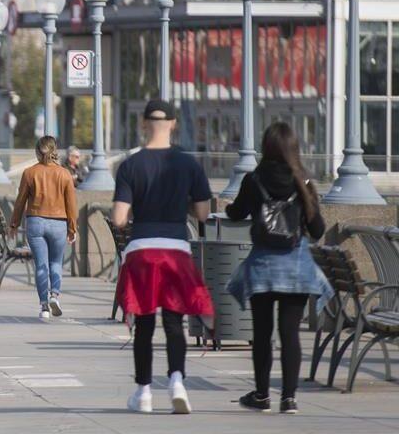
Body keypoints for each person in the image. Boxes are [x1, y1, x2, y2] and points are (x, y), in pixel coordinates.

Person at [112, 99, 214, 415]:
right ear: (173, 124)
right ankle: (177, 382)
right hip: (176, 249)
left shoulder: (130, 165)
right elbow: (203, 212)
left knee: (143, 324)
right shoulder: (189, 164)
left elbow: (118, 218)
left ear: (144, 124)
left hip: (143, 248)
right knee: (174, 321)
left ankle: (143, 392)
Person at [226, 122, 333, 415]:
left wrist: (231, 209)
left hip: (262, 264)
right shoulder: (304, 182)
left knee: (262, 332)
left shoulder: (253, 179)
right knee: (290, 334)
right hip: (295, 266)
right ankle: (289, 398)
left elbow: (236, 213)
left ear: (266, 146)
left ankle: (262, 395)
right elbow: (318, 229)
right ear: (293, 149)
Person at [10, 136, 78, 319]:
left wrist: (14, 224)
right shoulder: (65, 174)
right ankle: (54, 294)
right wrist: (72, 228)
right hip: (58, 223)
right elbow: (71, 204)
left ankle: (44, 307)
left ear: (37, 152)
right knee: (56, 263)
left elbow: (20, 201)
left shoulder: (29, 173)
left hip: (36, 221)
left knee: (40, 265)